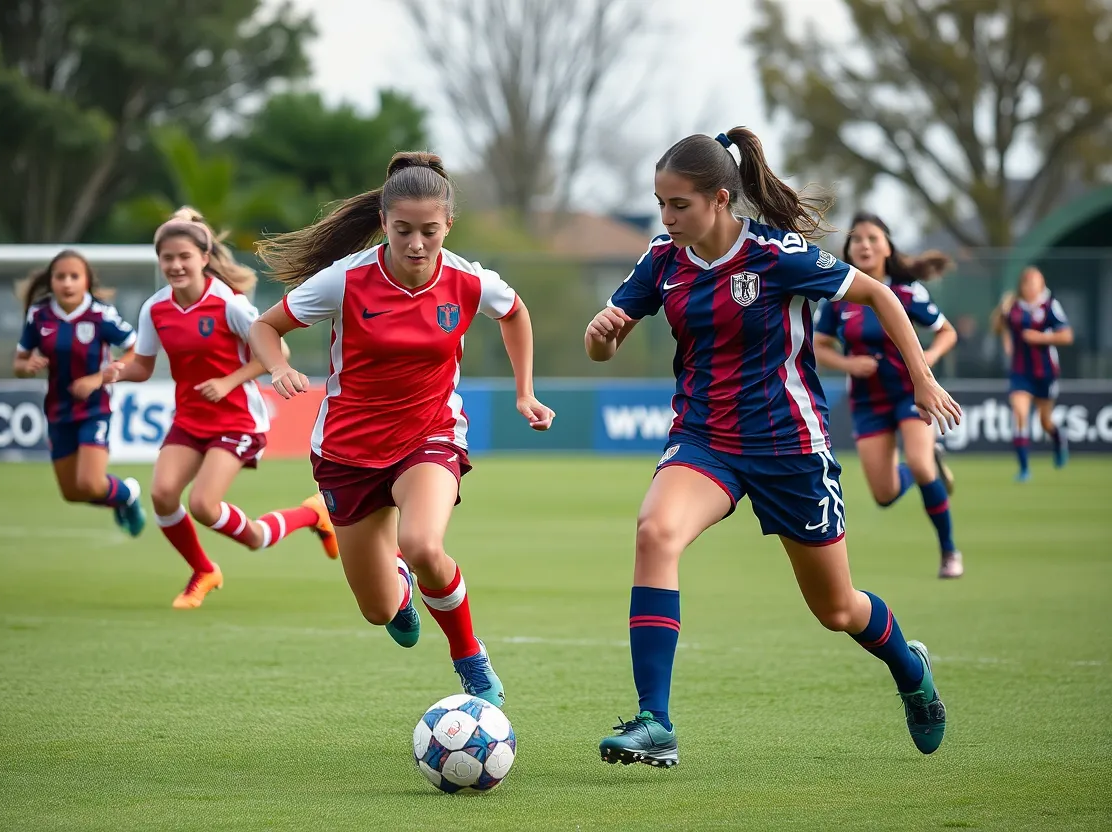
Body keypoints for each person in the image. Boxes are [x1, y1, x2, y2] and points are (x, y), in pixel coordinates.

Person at [586, 130, 963, 767]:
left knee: (837, 608)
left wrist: (923, 379)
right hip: (705, 439)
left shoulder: (777, 255)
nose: (666, 218)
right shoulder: (661, 260)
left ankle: (910, 670)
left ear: (719, 199)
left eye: (678, 205)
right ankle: (656, 722)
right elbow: (603, 346)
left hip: (791, 447)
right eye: (660, 204)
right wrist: (603, 336)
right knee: (655, 533)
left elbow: (878, 294)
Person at [248, 152, 554, 709]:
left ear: (448, 227)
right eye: (403, 230)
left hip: (429, 435)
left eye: (429, 231)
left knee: (421, 543)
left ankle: (469, 656)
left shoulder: (466, 279)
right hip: (346, 451)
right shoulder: (346, 279)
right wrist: (278, 367)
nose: (417, 244)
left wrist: (524, 392)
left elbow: (515, 313)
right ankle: (400, 588)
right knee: (379, 611)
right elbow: (264, 327)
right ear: (384, 222)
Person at [102, 208, 338, 610]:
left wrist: (229, 381)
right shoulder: (154, 309)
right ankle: (203, 570)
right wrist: (113, 373)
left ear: (204, 258)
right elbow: (141, 366)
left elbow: (276, 350)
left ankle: (311, 514)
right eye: (167, 258)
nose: (175, 265)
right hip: (191, 418)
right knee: (162, 495)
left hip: (237, 418)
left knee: (204, 507)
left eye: (184, 257)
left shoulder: (228, 303)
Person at [813, 212, 963, 579]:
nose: (864, 244)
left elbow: (947, 332)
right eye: (857, 239)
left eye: (872, 238)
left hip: (911, 396)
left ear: (887, 246)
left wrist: (924, 362)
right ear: (848, 249)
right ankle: (927, 464)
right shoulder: (836, 296)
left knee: (919, 462)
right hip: (867, 402)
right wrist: (849, 365)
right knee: (884, 494)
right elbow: (818, 347)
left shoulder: (907, 291)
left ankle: (949, 552)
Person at [14, 250, 145, 535]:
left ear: (87, 281)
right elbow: (19, 362)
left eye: (75, 276)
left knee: (90, 483)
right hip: (58, 411)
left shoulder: (101, 314)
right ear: (51, 281)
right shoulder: (39, 315)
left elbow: (136, 351)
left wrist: (98, 378)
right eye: (61, 277)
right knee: (72, 493)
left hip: (94, 409)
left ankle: (129, 494)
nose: (68, 283)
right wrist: (27, 366)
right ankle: (121, 499)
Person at [990, 267, 1073, 480]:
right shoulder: (1014, 306)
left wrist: (1040, 338)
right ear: (1022, 286)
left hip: (1045, 371)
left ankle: (1057, 438)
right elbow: (999, 327)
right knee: (1019, 414)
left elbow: (1066, 336)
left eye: (1036, 283)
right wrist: (1002, 312)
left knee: (1045, 421)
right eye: (1028, 283)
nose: (1032, 287)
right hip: (1020, 371)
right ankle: (1024, 468)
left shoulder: (1049, 306)